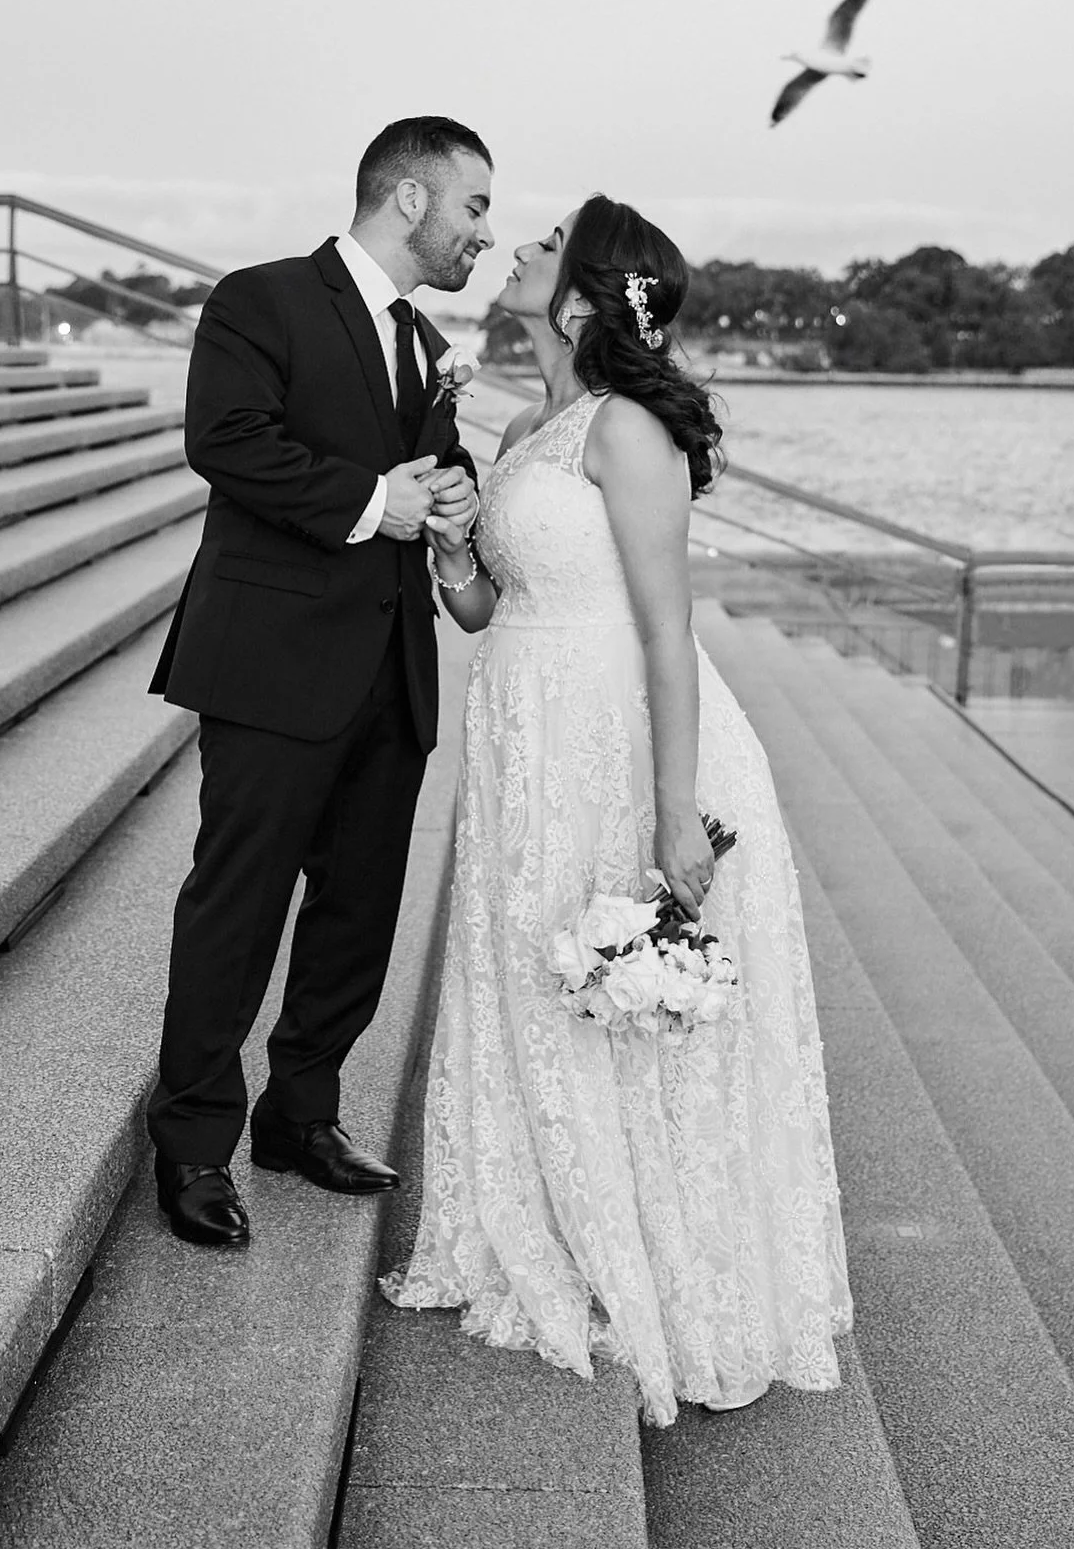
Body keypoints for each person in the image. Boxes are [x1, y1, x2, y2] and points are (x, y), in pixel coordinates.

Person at [382, 194, 853, 1423]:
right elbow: (487, 610)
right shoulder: (535, 421)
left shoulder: (629, 428)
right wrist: (448, 550)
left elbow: (665, 628)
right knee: (533, 971)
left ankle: (655, 1252)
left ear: (584, 294)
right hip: (525, 732)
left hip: (615, 736)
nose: (521, 250)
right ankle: (548, 1217)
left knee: (609, 981)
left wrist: (674, 809)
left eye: (544, 244)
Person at [147, 116, 491, 1246]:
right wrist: (372, 503)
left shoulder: (428, 347)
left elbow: (427, 471)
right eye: (473, 208)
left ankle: (304, 1114)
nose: (483, 235)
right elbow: (228, 440)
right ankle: (195, 1142)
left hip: (392, 672)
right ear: (408, 198)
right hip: (273, 664)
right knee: (236, 907)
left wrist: (450, 497)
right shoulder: (262, 299)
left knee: (358, 914)